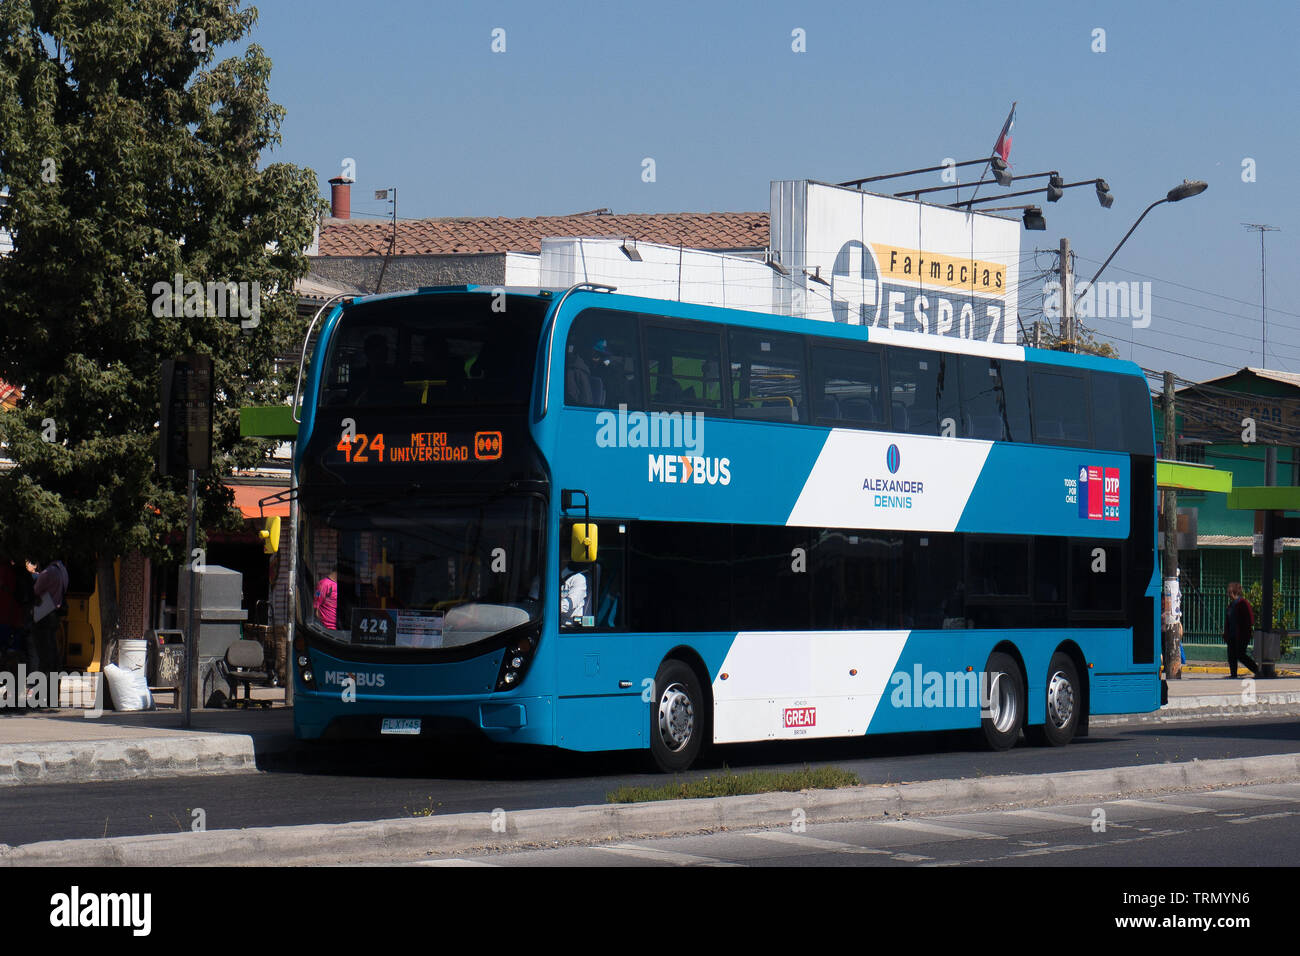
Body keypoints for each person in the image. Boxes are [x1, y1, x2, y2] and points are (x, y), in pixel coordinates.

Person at [27, 556, 69, 708]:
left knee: (43, 656)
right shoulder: (62, 570)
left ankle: (41, 696)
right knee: (52, 655)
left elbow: (35, 591)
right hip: (54, 615)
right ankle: (51, 696)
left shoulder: (48, 572)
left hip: (43, 614)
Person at [1222, 581, 1259, 679]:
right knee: (1231, 655)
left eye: (1229, 592)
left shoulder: (1243, 603)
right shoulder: (1231, 605)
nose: (1228, 595)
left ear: (1233, 592)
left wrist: (1245, 632)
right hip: (1232, 635)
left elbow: (1249, 620)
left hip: (1241, 635)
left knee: (1240, 654)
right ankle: (1233, 674)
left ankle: (1257, 670)